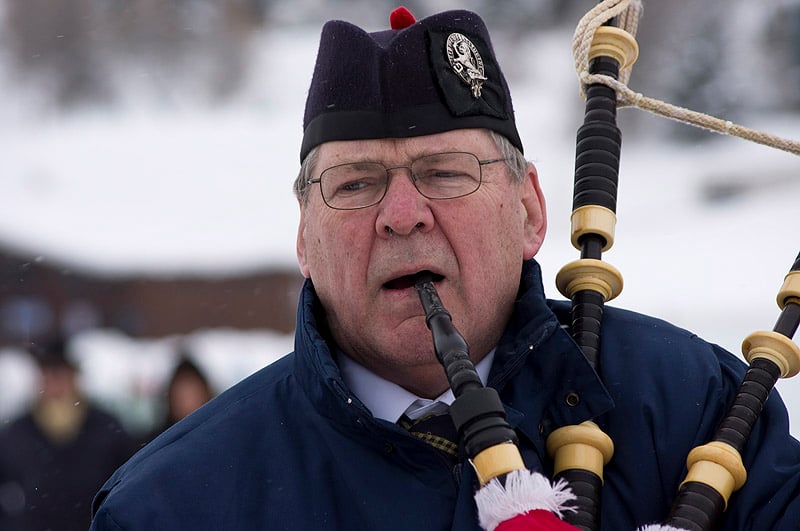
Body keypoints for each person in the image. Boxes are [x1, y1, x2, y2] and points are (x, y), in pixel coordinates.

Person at [89, 8, 800, 530]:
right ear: (305, 236)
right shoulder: (176, 505)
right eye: (356, 182)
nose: (402, 214)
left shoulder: (693, 409)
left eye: (444, 171)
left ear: (529, 209)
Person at [0, 337, 135, 531]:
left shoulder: (107, 430)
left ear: (74, 378)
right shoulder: (16, 435)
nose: (55, 386)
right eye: (48, 375)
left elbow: (127, 488)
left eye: (60, 374)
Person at [140, 355, 215, 446]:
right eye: (182, 396)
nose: (188, 402)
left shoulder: (218, 434)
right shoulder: (156, 444)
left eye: (193, 394)